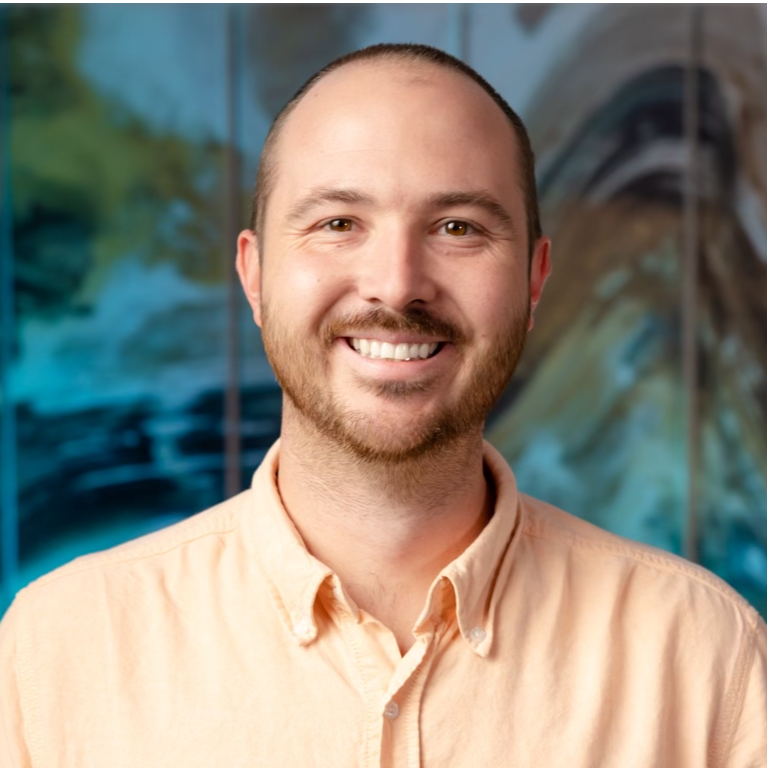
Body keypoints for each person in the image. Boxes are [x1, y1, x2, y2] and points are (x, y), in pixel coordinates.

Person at [1, 42, 766, 768]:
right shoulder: (58, 651)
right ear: (255, 273)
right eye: (339, 224)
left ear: (534, 282)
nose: (397, 284)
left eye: (457, 227)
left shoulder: (700, 656)